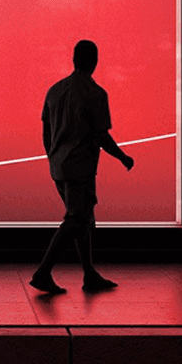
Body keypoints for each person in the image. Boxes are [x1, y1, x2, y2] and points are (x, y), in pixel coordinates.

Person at [30, 39, 134, 295]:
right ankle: (43, 272)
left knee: (84, 220)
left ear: (74, 59)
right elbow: (101, 136)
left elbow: (46, 130)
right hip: (81, 169)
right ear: (94, 61)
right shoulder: (95, 94)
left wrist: (52, 157)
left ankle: (89, 274)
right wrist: (123, 157)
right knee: (77, 220)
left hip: (59, 167)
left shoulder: (55, 91)